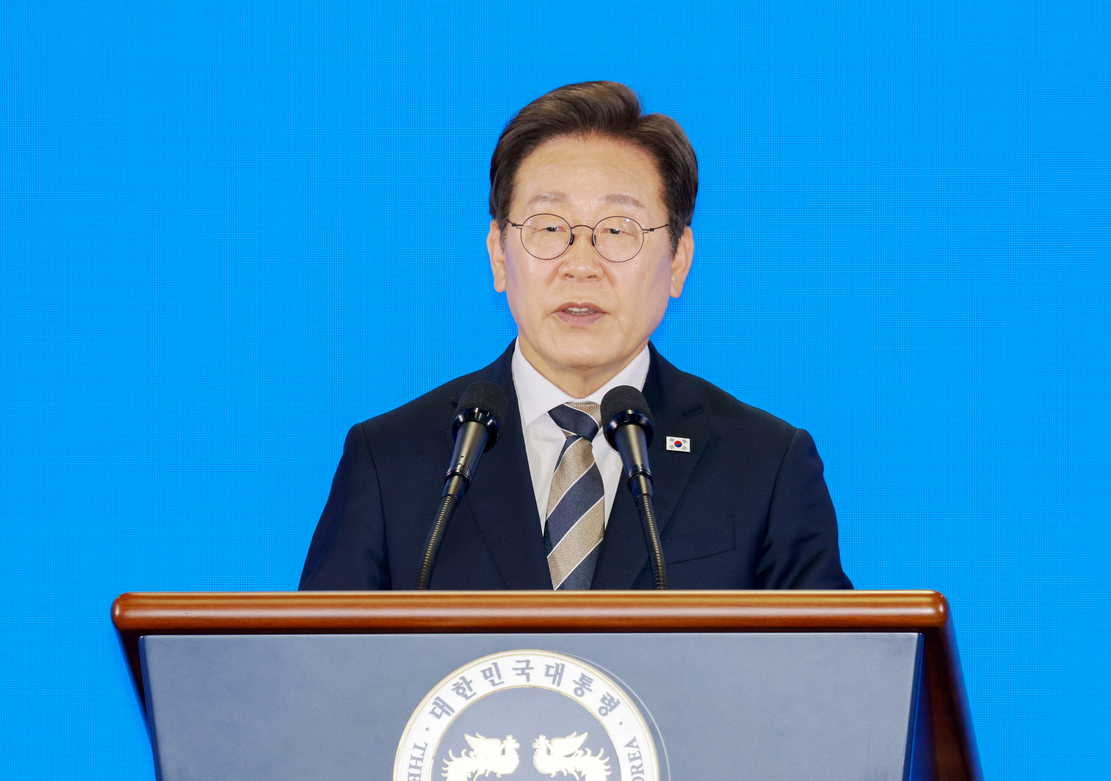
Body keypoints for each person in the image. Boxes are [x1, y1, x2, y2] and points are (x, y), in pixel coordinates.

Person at [299, 81, 851, 592]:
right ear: (498, 253)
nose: (580, 264)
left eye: (617, 230)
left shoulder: (764, 465)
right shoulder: (392, 458)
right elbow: (316, 681)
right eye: (549, 228)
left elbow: (829, 683)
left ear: (679, 260)